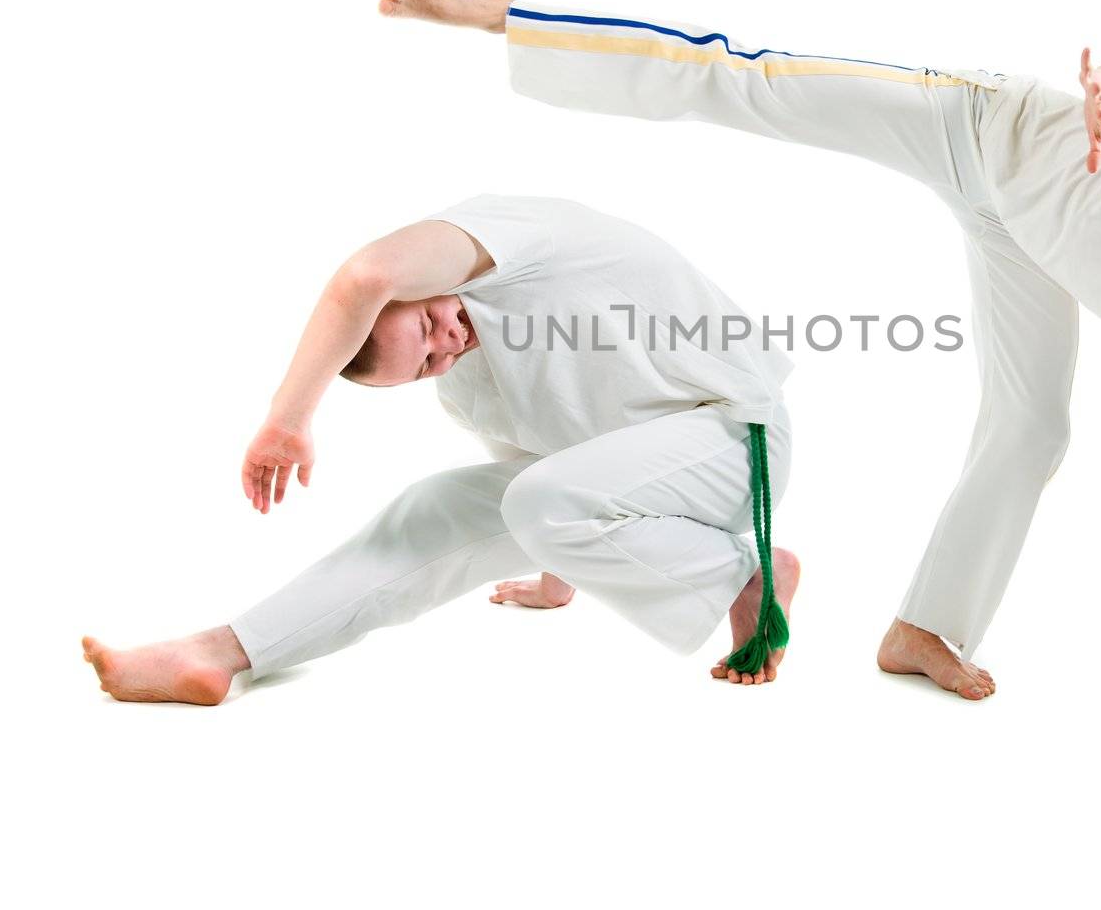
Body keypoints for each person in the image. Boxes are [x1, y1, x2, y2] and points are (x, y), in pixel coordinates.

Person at [377, 0, 1101, 725]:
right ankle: (494, 13)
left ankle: (924, 629)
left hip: (1022, 246)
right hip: (976, 129)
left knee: (1031, 428)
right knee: (743, 77)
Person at [82, 194, 799, 704]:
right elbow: (538, 485)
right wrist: (558, 581)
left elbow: (364, 276)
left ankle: (738, 576)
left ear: (423, 288)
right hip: (645, 493)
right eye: (426, 361)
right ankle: (222, 654)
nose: (446, 345)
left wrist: (288, 417)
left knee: (540, 497)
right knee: (431, 509)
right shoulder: (467, 388)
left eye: (428, 322)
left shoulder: (507, 243)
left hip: (737, 441)